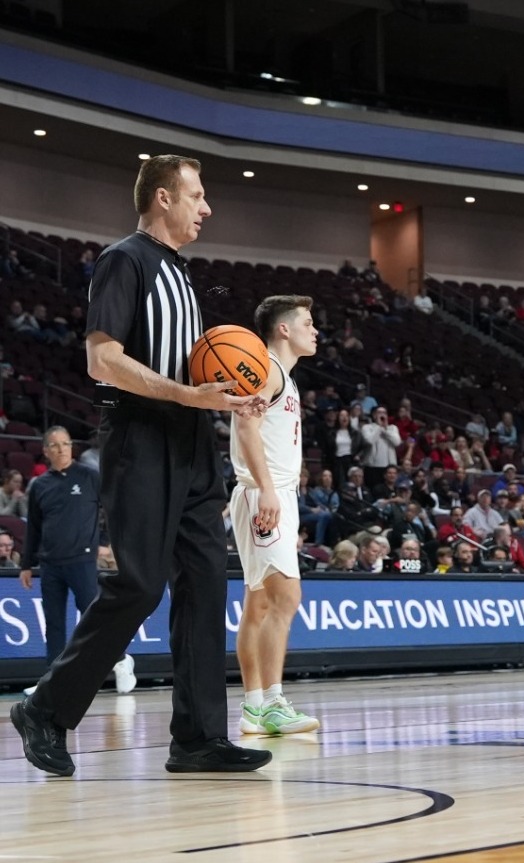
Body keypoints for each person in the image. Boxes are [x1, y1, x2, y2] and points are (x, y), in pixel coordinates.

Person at [10, 155, 272, 776]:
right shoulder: (124, 260)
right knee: (140, 584)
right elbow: (102, 360)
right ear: (163, 198)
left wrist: (232, 394)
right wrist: (186, 395)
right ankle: (45, 709)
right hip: (141, 439)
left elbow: (195, 366)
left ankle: (198, 738)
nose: (206, 207)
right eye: (197, 195)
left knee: (206, 585)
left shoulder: (184, 274)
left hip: (193, 443)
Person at [229, 295, 322, 737]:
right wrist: (267, 489)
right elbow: (245, 425)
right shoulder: (266, 368)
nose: (315, 330)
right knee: (285, 598)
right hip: (263, 493)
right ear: (284, 329)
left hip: (269, 493)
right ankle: (273, 704)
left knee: (260, 603)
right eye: (307, 322)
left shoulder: (280, 373)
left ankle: (252, 707)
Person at [16, 427, 136, 697]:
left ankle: (120, 660)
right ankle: (51, 682)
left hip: (81, 561)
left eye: (65, 443)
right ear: (45, 451)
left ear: (72, 447)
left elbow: (114, 507)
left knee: (94, 618)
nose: (61, 449)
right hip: (50, 564)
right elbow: (33, 527)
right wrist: (25, 565)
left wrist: (104, 540)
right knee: (54, 623)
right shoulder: (39, 485)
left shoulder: (89, 476)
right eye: (55, 445)